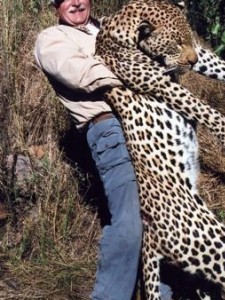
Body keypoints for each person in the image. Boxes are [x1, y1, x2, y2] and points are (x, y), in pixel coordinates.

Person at [34, 1, 172, 299]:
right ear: (55, 5)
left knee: (160, 222)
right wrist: (139, 75)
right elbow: (82, 74)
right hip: (109, 128)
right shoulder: (52, 38)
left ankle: (161, 293)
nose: (75, 2)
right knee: (129, 222)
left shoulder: (111, 25)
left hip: (153, 125)